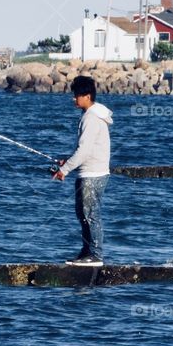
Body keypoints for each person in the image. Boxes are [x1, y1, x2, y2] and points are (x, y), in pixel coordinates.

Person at [51, 75, 113, 266]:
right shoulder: (92, 115)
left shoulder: (91, 118)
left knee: (90, 214)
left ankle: (95, 255)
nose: (74, 98)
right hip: (90, 172)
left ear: (87, 96)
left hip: (92, 175)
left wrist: (65, 170)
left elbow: (84, 151)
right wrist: (68, 161)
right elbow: (85, 149)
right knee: (83, 213)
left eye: (77, 95)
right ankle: (87, 251)